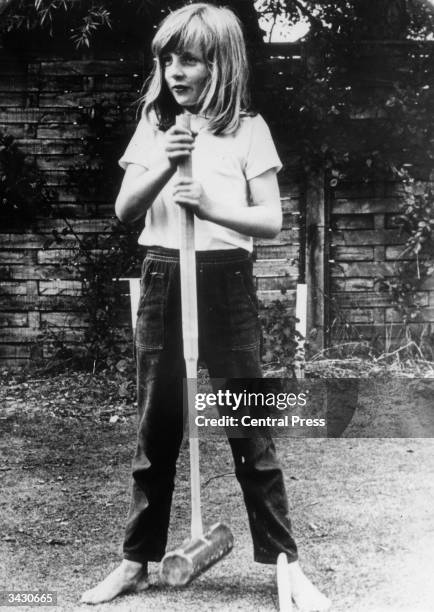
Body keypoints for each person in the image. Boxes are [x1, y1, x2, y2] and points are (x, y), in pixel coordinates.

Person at [81, 4, 331, 610]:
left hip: (226, 280)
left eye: (188, 58)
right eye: (167, 59)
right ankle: (136, 561)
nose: (173, 70)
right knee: (156, 429)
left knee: (251, 424)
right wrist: (167, 162)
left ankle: (285, 567)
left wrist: (213, 209)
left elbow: (269, 220)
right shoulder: (155, 127)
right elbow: (125, 210)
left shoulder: (249, 129)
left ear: (220, 63)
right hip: (166, 275)